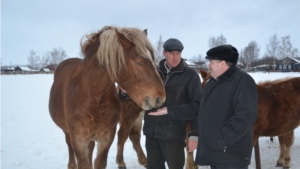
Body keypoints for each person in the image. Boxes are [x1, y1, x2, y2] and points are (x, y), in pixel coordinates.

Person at [149, 44, 258, 169]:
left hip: (231, 156)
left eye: (211, 61)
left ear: (222, 63)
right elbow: (199, 108)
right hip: (217, 154)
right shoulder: (213, 82)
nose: (209, 65)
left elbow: (246, 117)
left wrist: (221, 140)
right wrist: (169, 111)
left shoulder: (243, 81)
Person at [143, 38, 202, 169]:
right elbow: (141, 97)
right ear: (164, 53)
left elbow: (197, 107)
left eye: (178, 53)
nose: (175, 57)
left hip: (173, 136)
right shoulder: (153, 73)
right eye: (171, 53)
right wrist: (124, 93)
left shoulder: (190, 76)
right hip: (151, 134)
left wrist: (194, 134)